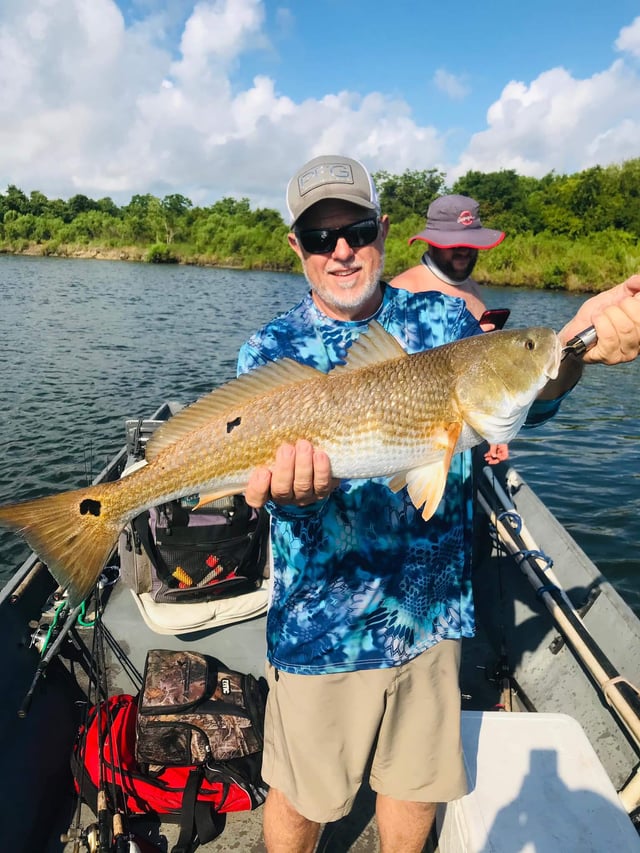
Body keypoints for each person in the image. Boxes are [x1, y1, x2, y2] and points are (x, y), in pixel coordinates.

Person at [238, 154, 640, 853]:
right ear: (294, 245)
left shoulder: (445, 318)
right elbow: (272, 497)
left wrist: (574, 346)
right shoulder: (271, 349)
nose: (341, 250)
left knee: (414, 789)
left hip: (432, 616)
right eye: (319, 234)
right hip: (320, 628)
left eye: (356, 229)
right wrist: (291, 496)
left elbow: (520, 397)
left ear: (383, 230)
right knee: (303, 800)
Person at [391, 194, 509, 464]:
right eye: (454, 243)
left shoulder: (472, 288)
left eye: (470, 243)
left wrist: (496, 433)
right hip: (410, 449)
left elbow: (482, 379)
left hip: (461, 446)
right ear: (431, 241)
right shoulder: (402, 293)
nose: (464, 250)